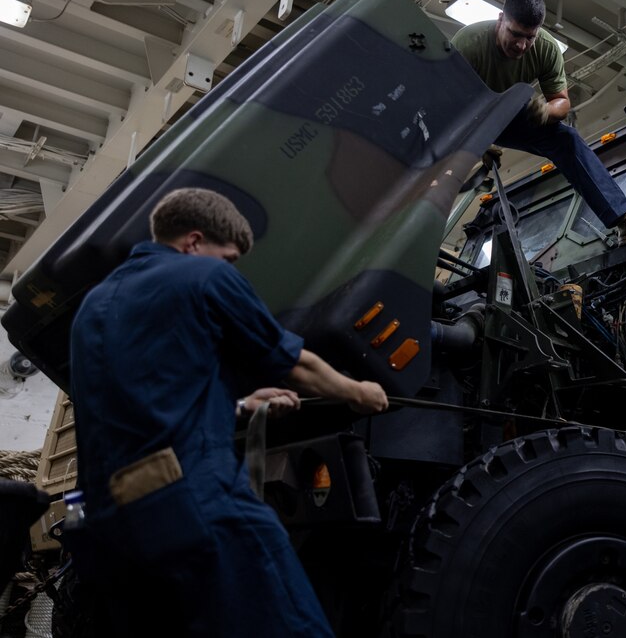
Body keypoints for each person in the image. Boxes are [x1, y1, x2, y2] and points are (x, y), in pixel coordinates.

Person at [67, 188, 389, 637]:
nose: (232, 269)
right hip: (194, 503)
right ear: (194, 243)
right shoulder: (202, 276)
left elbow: (145, 399)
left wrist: (241, 406)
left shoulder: (93, 306)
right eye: (230, 258)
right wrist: (359, 391)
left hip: (110, 529)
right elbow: (295, 364)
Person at [451, 0, 626, 244]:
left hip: (512, 114)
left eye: (530, 37)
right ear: (500, 19)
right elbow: (448, 103)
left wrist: (547, 111)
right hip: (464, 114)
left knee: (566, 138)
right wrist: (478, 140)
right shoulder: (468, 43)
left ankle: (624, 222)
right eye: (515, 34)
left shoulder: (547, 49)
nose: (522, 45)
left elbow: (561, 102)